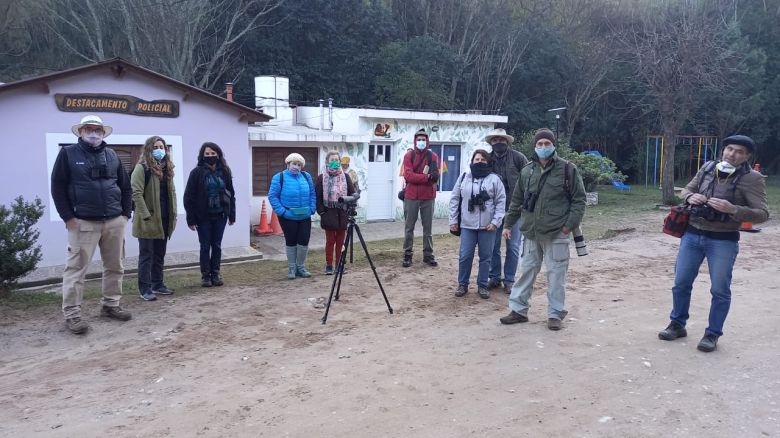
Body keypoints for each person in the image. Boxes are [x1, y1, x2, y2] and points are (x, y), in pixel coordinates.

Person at [658, 135, 769, 352]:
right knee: (680, 283)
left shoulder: (753, 178)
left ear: (747, 156)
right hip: (692, 234)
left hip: (723, 240)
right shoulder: (709, 167)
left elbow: (763, 214)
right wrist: (690, 197)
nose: (732, 154)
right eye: (729, 149)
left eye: (738, 151)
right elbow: (686, 190)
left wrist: (734, 209)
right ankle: (677, 324)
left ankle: (712, 334)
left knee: (719, 290)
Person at [51, 115, 133, 334]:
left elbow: (125, 187)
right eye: (88, 129)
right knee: (75, 270)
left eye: (97, 129)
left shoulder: (113, 155)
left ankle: (111, 305)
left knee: (115, 266)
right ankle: (72, 315)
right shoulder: (67, 154)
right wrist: (68, 217)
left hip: (114, 221)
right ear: (80, 132)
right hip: (83, 222)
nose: (93, 133)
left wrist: (126, 214)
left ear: (103, 133)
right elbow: (57, 188)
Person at [499, 128, 586, 331]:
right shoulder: (527, 170)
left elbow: (579, 200)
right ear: (535, 146)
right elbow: (517, 201)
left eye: (547, 143)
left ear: (553, 145)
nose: (543, 147)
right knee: (527, 271)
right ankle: (518, 310)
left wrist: (568, 226)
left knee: (556, 275)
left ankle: (555, 314)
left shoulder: (567, 169)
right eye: (540, 144)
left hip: (557, 231)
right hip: (530, 231)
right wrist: (508, 224)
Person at [449, 150, 506, 299]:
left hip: (488, 227)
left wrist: (495, 222)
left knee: (486, 257)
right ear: (472, 161)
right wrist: (453, 221)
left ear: (488, 162)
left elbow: (501, 202)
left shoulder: (495, 179)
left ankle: (482, 286)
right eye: (477, 159)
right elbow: (455, 199)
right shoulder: (464, 178)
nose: (479, 162)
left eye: (483, 159)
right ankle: (462, 284)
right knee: (465, 256)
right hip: (467, 225)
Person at [183, 142, 236, 288]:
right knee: (205, 246)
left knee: (217, 245)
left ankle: (216, 273)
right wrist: (190, 219)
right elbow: (189, 197)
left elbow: (231, 194)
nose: (210, 156)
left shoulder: (225, 171)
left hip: (220, 215)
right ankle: (205, 276)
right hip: (203, 217)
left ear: (218, 155)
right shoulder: (196, 173)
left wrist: (232, 215)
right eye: (207, 154)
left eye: (213, 154)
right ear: (202, 156)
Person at [131, 136, 177, 301]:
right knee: (146, 255)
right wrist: (145, 215)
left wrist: (174, 214)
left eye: (162, 146)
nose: (159, 150)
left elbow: (171, 193)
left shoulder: (168, 169)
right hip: (148, 220)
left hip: (163, 219)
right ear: (149, 149)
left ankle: (158, 284)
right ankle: (145, 288)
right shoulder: (142, 168)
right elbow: (136, 193)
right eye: (156, 146)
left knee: (159, 254)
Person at [486, 128, 528, 294]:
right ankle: (494, 277)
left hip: (515, 210)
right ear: (491, 143)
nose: (498, 143)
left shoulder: (518, 158)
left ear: (507, 141)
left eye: (501, 140)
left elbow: (529, 179)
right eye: (495, 140)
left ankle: (509, 280)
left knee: (513, 247)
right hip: (493, 211)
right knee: (493, 246)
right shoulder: (488, 160)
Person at [268, 153, 316, 279]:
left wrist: (312, 209)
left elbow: (312, 193)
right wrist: (282, 212)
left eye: (299, 165)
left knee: (304, 241)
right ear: (288, 164)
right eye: (294, 164)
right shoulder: (279, 177)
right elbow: (273, 196)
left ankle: (301, 267)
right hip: (288, 216)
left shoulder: (307, 177)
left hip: (305, 215)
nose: (296, 167)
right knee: (291, 241)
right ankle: (292, 269)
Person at [402, 128, 440, 268]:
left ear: (427, 141)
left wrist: (424, 178)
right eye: (419, 139)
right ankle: (407, 254)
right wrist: (426, 177)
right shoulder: (409, 156)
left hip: (428, 197)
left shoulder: (433, 156)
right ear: (415, 141)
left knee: (428, 228)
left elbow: (435, 176)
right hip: (411, 196)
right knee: (409, 227)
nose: (421, 142)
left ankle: (428, 255)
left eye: (424, 139)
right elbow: (408, 176)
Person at [316, 151, 356, 275]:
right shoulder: (322, 177)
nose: (335, 162)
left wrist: (350, 209)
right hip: (328, 213)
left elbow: (352, 193)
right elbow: (318, 197)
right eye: (332, 160)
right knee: (330, 242)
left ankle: (340, 265)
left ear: (340, 161)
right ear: (327, 162)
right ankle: (329, 265)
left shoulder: (346, 176)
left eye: (337, 160)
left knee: (340, 242)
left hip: (342, 213)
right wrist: (322, 212)